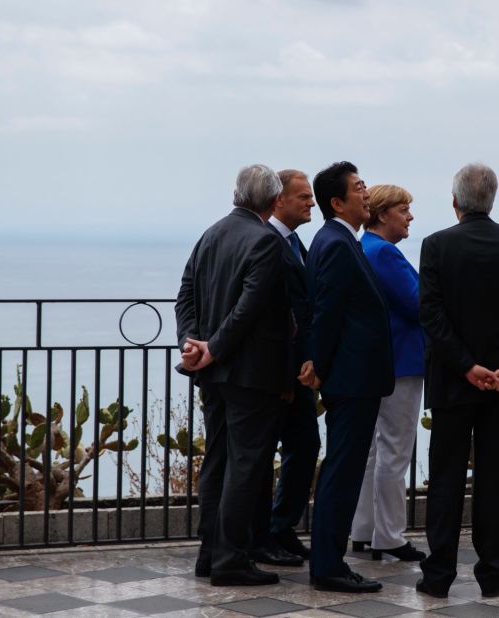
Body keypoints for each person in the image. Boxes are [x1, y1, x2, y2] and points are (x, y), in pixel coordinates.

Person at [416, 163, 499, 598]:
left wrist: (465, 366)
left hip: (454, 384)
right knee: (497, 481)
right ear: (492, 200)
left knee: (447, 478)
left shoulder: (436, 246)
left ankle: (438, 575)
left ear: (455, 203)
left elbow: (431, 314)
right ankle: (493, 574)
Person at [174, 164, 292, 585]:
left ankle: (210, 555)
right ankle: (230, 560)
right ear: (275, 201)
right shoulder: (264, 241)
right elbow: (251, 305)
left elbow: (185, 292)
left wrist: (193, 343)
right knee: (245, 467)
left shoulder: (212, 233)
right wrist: (215, 347)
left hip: (213, 372)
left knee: (217, 462)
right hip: (250, 372)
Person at [299, 161, 394, 593]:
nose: (366, 192)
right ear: (337, 201)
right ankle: (328, 566)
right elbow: (327, 310)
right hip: (352, 379)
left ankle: (329, 561)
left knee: (344, 468)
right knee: (342, 471)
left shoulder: (338, 239)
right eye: (358, 188)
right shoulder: (336, 242)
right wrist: (316, 362)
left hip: (354, 376)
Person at [350, 184, 427, 562]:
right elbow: (417, 305)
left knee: (372, 451)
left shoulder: (364, 248)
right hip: (403, 362)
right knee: (395, 449)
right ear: (383, 215)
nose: (410, 216)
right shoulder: (386, 254)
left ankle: (364, 528)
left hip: (378, 363)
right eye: (403, 210)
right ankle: (391, 535)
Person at [250, 169, 321, 566]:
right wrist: (286, 373)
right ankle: (262, 536)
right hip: (279, 372)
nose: (311, 203)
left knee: (305, 446)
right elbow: (278, 316)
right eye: (303, 197)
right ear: (279, 200)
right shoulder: (268, 243)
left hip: (298, 371)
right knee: (263, 456)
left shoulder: (294, 242)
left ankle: (280, 527)